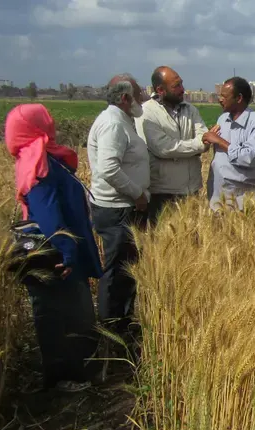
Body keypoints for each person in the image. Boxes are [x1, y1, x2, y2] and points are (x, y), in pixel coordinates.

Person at [6, 104, 103, 392]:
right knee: (64, 315)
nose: (54, 124)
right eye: (47, 121)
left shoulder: (44, 158)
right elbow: (50, 216)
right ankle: (65, 377)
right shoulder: (38, 164)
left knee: (70, 311)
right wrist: (68, 253)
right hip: (57, 258)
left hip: (64, 250)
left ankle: (76, 369)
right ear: (36, 127)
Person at [87, 73, 150, 330]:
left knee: (126, 270)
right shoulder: (113, 124)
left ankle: (122, 321)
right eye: (138, 93)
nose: (143, 98)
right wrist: (137, 194)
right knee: (116, 270)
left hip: (123, 207)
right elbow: (109, 169)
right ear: (125, 98)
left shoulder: (123, 120)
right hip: (117, 209)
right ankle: (112, 326)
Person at [135, 66, 209, 225]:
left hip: (191, 189)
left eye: (181, 84)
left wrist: (198, 144)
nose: (183, 89)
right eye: (176, 86)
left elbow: (204, 135)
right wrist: (198, 146)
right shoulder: (146, 113)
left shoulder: (190, 109)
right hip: (163, 191)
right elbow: (164, 148)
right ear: (160, 89)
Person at [203, 77, 255, 210]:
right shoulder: (223, 119)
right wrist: (207, 139)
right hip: (218, 196)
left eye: (224, 96)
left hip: (243, 200)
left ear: (239, 98)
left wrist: (218, 140)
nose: (220, 99)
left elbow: (249, 158)